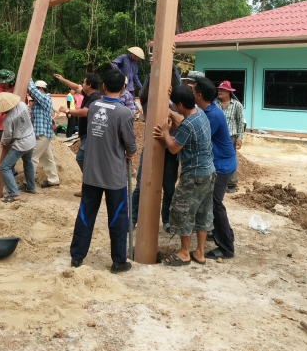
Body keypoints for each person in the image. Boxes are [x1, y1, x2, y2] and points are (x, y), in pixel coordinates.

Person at [70, 69, 137, 273]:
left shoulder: (94, 106)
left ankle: (77, 257)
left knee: (85, 214)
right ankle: (118, 261)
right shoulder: (124, 113)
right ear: (123, 88)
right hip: (114, 176)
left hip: (91, 173)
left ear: (104, 87)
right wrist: (130, 153)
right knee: (117, 217)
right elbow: (131, 145)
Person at [153, 85, 215, 266]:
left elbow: (173, 148)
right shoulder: (200, 114)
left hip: (194, 176)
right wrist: (172, 117)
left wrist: (166, 132)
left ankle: (184, 253)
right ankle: (200, 253)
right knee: (203, 212)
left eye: (174, 104)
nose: (173, 106)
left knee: (182, 211)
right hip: (209, 172)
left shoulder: (188, 124)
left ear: (180, 104)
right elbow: (183, 126)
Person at [131, 53, 182, 232]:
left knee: (169, 188)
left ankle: (166, 219)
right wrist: (153, 70)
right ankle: (133, 218)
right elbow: (144, 91)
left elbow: (177, 87)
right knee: (140, 186)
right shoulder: (148, 103)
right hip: (151, 149)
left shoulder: (175, 106)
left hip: (170, 150)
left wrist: (170, 64)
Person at [193, 77, 236, 259]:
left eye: (193, 91)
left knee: (215, 203)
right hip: (218, 163)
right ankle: (224, 234)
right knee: (211, 202)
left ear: (199, 95)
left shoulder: (213, 116)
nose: (191, 94)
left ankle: (226, 247)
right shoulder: (205, 110)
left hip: (222, 166)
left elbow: (197, 136)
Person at [0, 92, 36, 201]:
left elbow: (8, 137)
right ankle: (31, 187)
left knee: (4, 167)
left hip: (21, 143)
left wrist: (5, 142)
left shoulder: (8, 119)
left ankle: (14, 194)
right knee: (28, 162)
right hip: (31, 138)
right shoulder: (22, 105)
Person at [54, 72, 101, 175]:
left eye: (84, 82)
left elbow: (85, 112)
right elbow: (76, 87)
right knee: (85, 159)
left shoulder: (95, 97)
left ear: (89, 85)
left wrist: (67, 110)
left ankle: (90, 180)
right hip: (85, 134)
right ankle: (89, 180)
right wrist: (63, 79)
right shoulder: (89, 94)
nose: (82, 85)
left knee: (80, 158)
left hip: (90, 134)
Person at [23, 78, 60, 189]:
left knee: (32, 158)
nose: (31, 94)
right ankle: (53, 180)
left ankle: (28, 183)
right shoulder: (38, 101)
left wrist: (28, 77)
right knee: (47, 158)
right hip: (42, 134)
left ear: (40, 89)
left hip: (43, 134)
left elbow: (33, 91)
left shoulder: (45, 98)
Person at [215, 81, 244, 193]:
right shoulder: (215, 103)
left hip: (230, 137)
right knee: (216, 156)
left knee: (230, 159)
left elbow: (240, 122)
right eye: (219, 90)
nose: (219, 92)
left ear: (228, 92)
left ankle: (232, 183)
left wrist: (239, 138)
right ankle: (217, 180)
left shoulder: (236, 105)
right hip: (216, 136)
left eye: (222, 90)